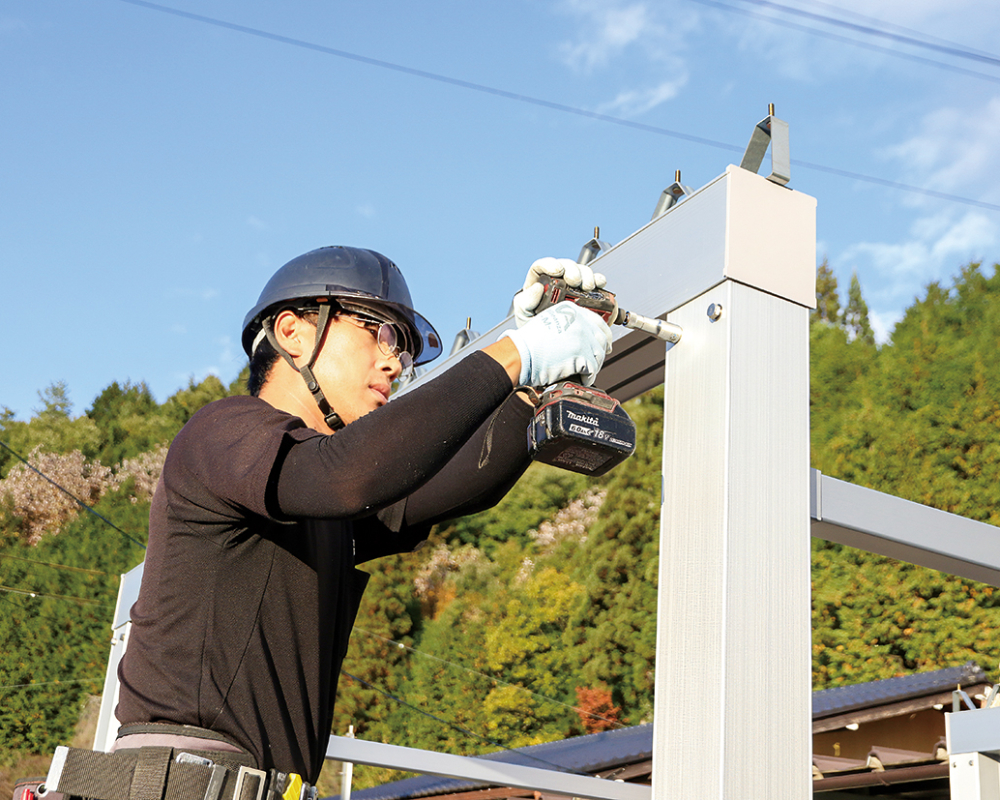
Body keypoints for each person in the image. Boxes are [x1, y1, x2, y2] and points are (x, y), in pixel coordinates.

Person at [48, 246, 611, 800]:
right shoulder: (222, 432)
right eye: (380, 332)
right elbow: (347, 475)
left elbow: (440, 487)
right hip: (180, 785)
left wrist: (534, 385)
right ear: (293, 332)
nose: (395, 362)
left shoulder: (322, 506)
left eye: (405, 351)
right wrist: (517, 352)